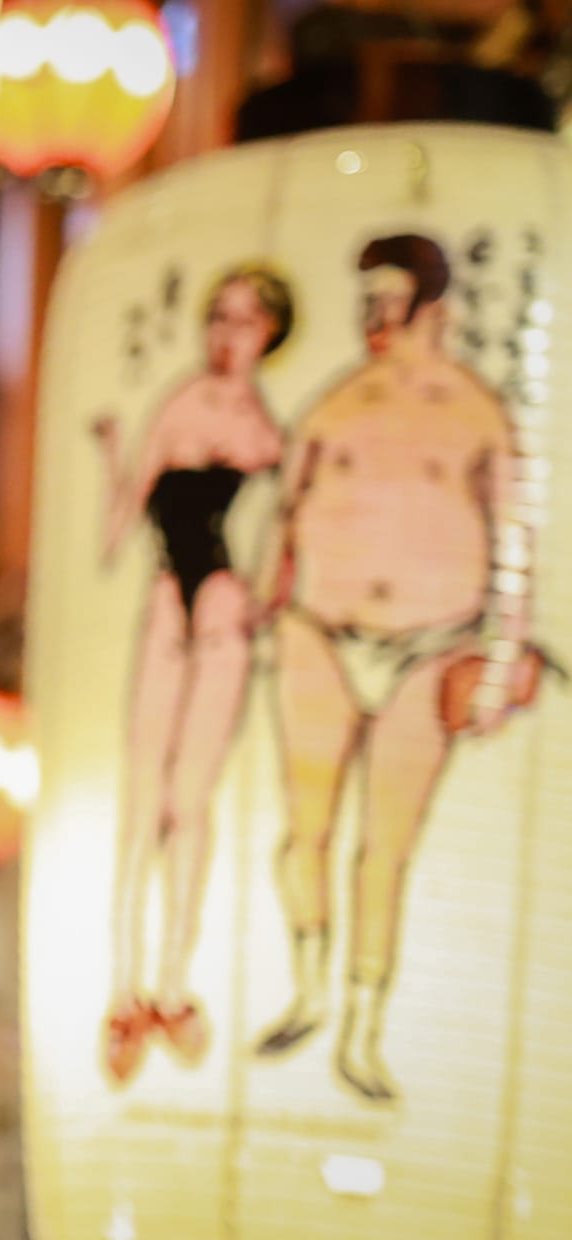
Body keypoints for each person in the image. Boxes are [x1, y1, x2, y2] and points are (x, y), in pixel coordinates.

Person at [251, 234, 534, 1101]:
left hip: (430, 642)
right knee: (306, 829)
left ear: (434, 311)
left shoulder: (478, 412)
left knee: (388, 846)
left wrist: (497, 660)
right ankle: (303, 985)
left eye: (392, 301)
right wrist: (260, 619)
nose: (376, 319)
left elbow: (515, 543)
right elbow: (283, 519)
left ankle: (366, 1025)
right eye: (367, 302)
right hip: (319, 632)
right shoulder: (335, 403)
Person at [92, 265, 293, 1086]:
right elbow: (120, 523)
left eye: (243, 321)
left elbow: (287, 534)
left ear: (268, 333)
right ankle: (126, 985)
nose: (224, 333)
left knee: (189, 802)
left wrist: (265, 600)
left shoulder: (270, 429)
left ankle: (174, 982)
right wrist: (112, 456)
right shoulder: (183, 403)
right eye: (218, 315)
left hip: (220, 606)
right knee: (141, 801)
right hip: (169, 599)